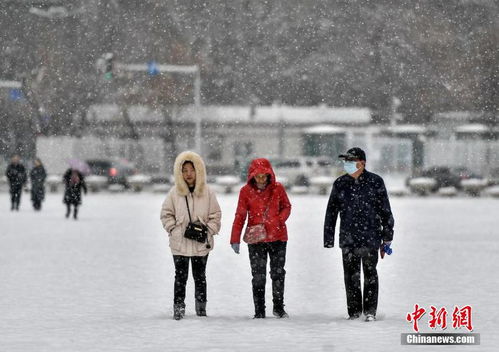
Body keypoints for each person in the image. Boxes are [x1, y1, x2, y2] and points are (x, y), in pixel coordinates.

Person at [323, 147, 394, 322]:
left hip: (371, 237)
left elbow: (385, 211)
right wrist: (328, 237)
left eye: (351, 161)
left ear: (362, 163)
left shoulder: (376, 182)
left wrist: (387, 236)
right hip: (348, 238)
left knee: (370, 274)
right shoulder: (340, 183)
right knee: (350, 276)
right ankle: (354, 312)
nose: (347, 165)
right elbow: (331, 212)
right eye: (345, 161)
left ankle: (370, 311)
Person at [160, 151, 221, 320]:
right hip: (179, 242)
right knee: (180, 276)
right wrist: (173, 229)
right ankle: (178, 307)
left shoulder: (208, 192)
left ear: (199, 171)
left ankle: (201, 308)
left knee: (200, 276)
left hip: (201, 243)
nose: (188, 174)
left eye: (192, 170)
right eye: (184, 170)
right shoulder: (174, 193)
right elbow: (166, 213)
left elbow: (216, 215)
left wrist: (208, 230)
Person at [230, 158, 292, 319]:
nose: (261, 180)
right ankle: (259, 309)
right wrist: (234, 238)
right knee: (258, 275)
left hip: (278, 238)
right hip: (256, 239)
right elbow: (240, 215)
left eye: (264, 176)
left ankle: (278, 307)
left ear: (270, 175)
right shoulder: (245, 191)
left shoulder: (278, 189)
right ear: (252, 176)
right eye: (258, 176)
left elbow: (287, 206)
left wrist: (279, 220)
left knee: (278, 273)